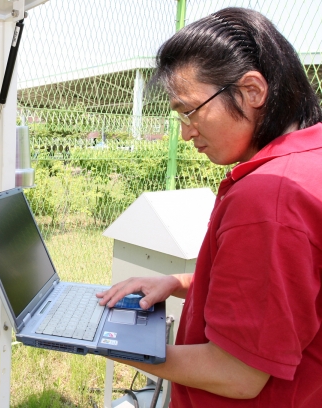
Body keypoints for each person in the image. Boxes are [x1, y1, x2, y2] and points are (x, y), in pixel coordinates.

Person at [96, 7, 322, 407]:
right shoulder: (308, 162)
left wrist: (108, 343)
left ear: (252, 91)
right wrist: (181, 283)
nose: (185, 133)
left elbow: (236, 374)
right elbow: (280, 292)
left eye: (189, 110)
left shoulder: (269, 196)